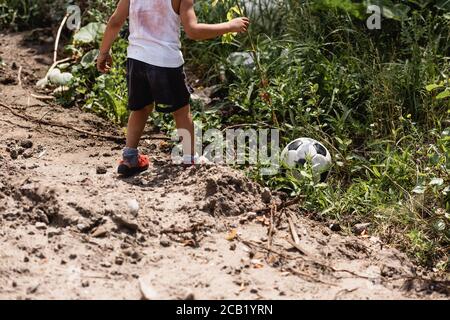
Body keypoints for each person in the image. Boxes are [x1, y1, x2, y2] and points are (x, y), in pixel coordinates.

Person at [97, 0, 250, 177]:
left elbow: (116, 21)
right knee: (181, 111)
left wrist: (103, 52)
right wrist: (230, 25)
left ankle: (129, 157)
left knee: (140, 109)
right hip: (165, 62)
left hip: (136, 60)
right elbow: (193, 31)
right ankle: (189, 158)